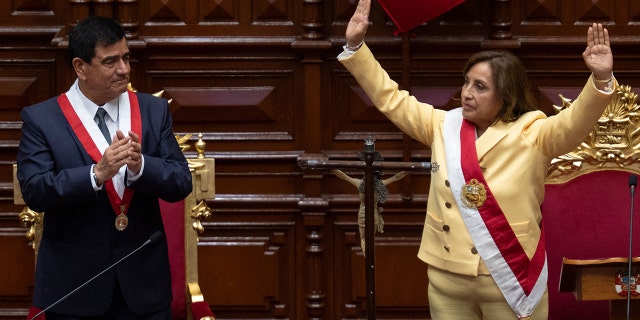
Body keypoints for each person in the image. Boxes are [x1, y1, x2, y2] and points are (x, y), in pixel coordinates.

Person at [339, 0, 615, 319]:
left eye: (480, 86)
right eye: (467, 81)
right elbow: (392, 100)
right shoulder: (444, 126)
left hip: (510, 278)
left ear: (505, 96)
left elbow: (576, 122)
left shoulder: (535, 132)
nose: (467, 92)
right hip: (447, 279)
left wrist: (601, 80)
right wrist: (356, 46)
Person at [16, 16, 192, 319]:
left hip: (144, 289)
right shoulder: (42, 120)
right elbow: (35, 190)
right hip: (75, 289)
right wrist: (96, 174)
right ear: (80, 68)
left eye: (125, 58)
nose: (124, 69)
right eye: (110, 61)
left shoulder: (154, 111)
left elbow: (181, 181)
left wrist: (142, 167)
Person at [332, 169, 409, 254]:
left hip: (365, 213)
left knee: (364, 238)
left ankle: (367, 256)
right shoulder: (379, 184)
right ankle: (367, 256)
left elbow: (343, 176)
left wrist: (332, 169)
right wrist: (409, 170)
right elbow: (396, 177)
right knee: (369, 238)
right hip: (371, 213)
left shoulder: (360, 183)